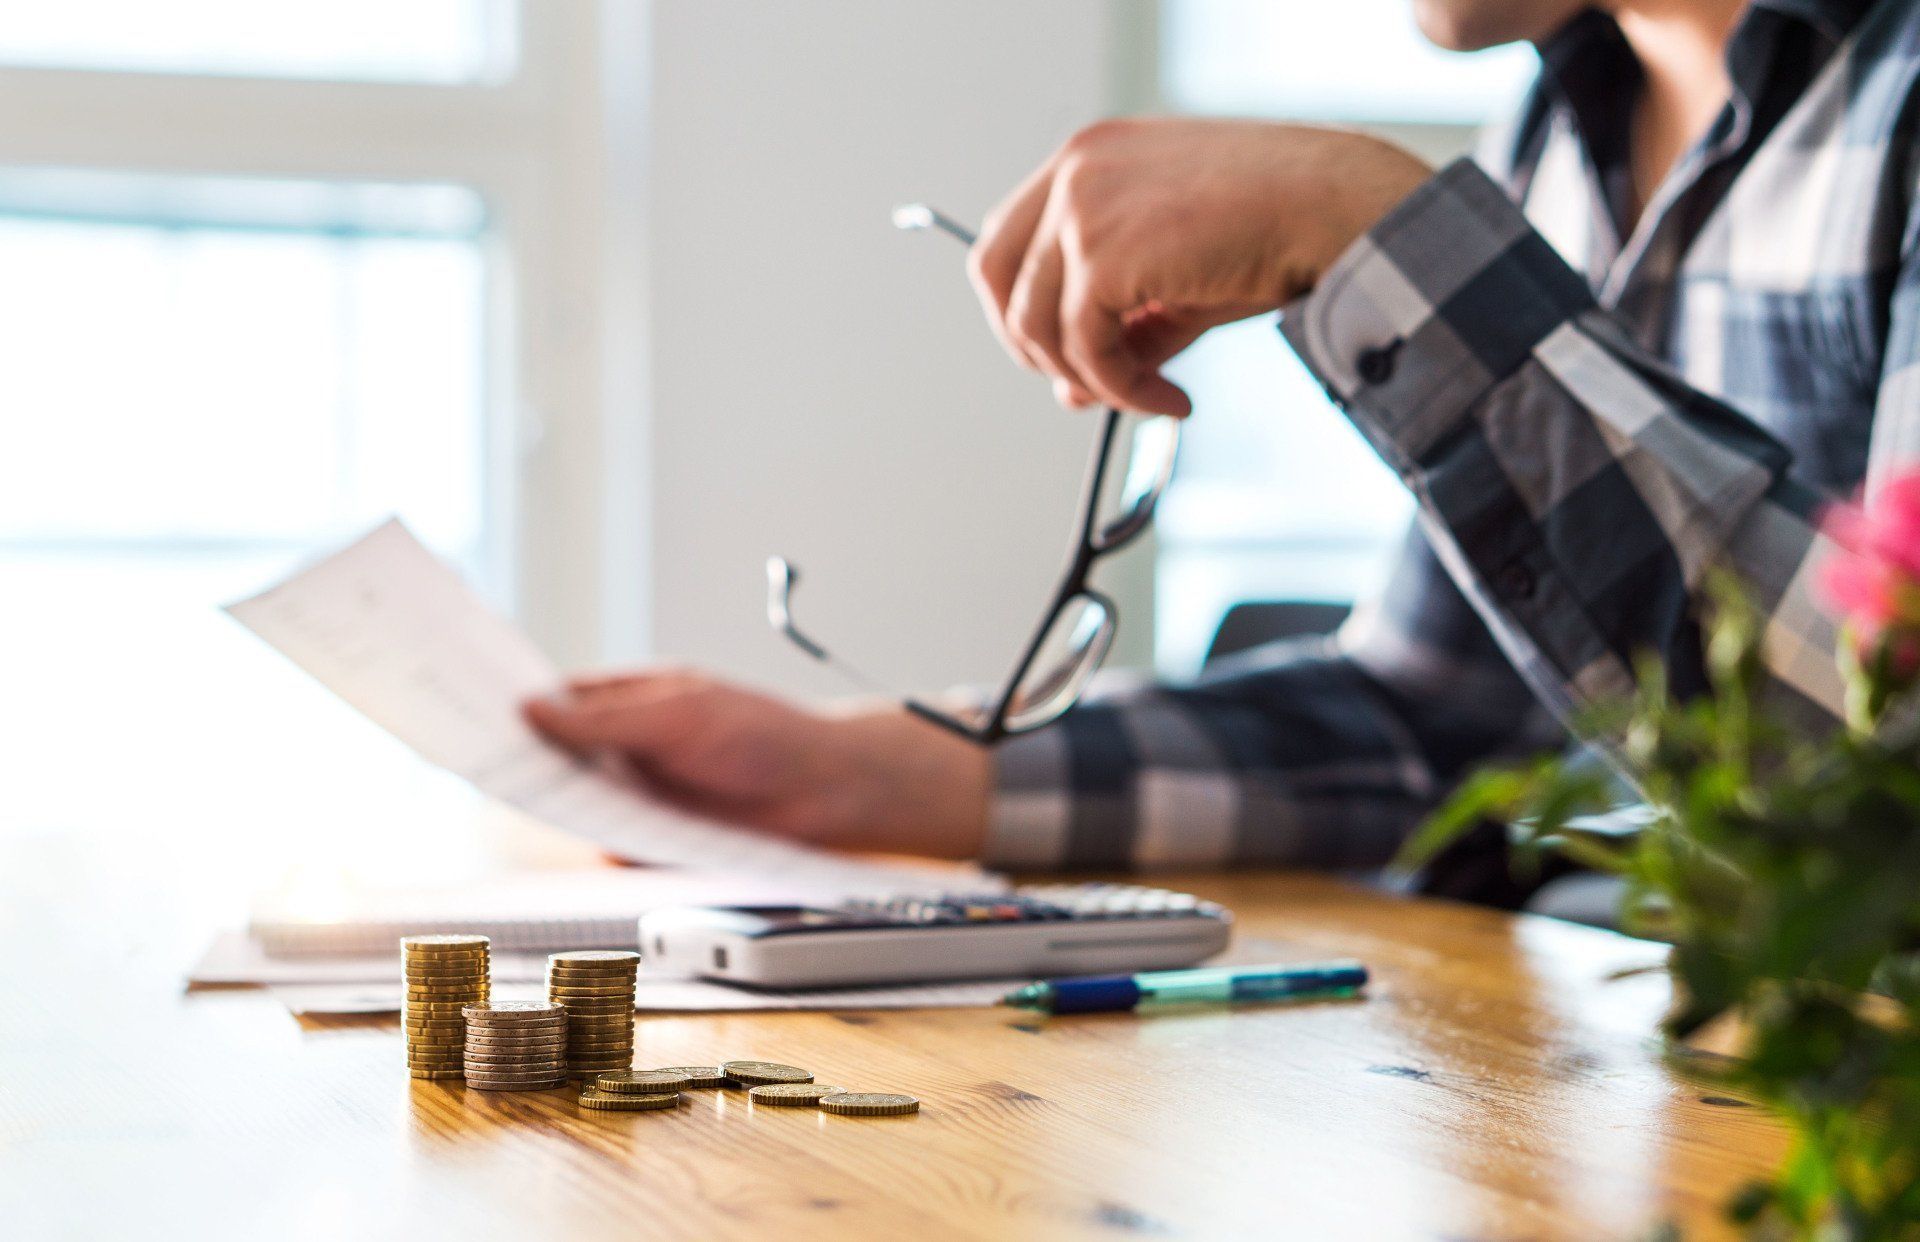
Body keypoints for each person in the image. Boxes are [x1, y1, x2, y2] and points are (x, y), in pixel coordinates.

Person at [526, 0, 1920, 877]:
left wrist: (1377, 234)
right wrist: (860, 770)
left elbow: (1883, 782)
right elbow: (1433, 724)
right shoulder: (1562, 126)